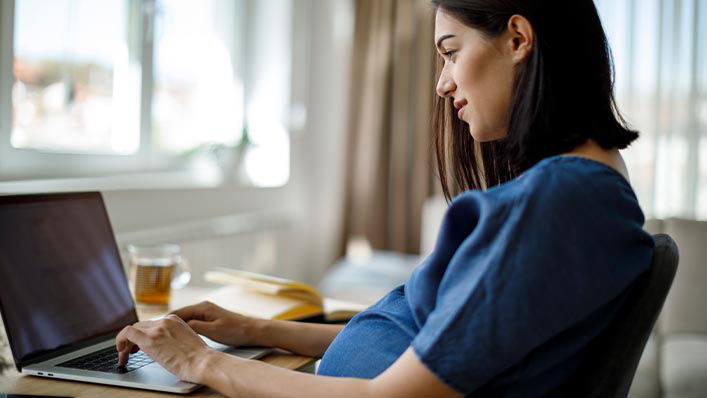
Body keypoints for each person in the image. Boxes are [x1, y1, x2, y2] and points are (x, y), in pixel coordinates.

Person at [115, 1, 655, 396]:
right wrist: (251, 329)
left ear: (517, 39)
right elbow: (428, 337)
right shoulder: (588, 187)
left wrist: (201, 364)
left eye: (451, 53)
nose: (442, 84)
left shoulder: (557, 204)